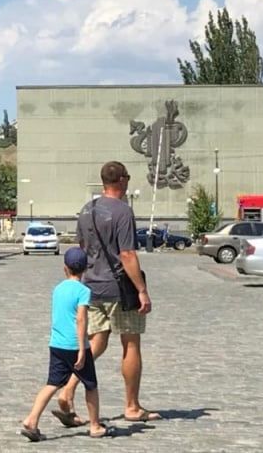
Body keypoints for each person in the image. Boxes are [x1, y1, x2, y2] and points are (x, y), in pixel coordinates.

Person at [55, 161, 160, 425]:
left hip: (90, 286)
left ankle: (67, 390)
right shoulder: (123, 211)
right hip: (118, 288)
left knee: (95, 344)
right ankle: (132, 406)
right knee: (131, 342)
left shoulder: (86, 210)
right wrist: (142, 290)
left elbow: (81, 248)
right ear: (122, 180)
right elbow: (127, 254)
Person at [20, 247, 112, 442]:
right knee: (91, 385)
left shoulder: (58, 288)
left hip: (56, 343)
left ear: (65, 269)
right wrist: (82, 347)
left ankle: (31, 419)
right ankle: (95, 425)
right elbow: (80, 319)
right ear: (85, 269)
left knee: (52, 383)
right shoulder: (84, 291)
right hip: (74, 345)